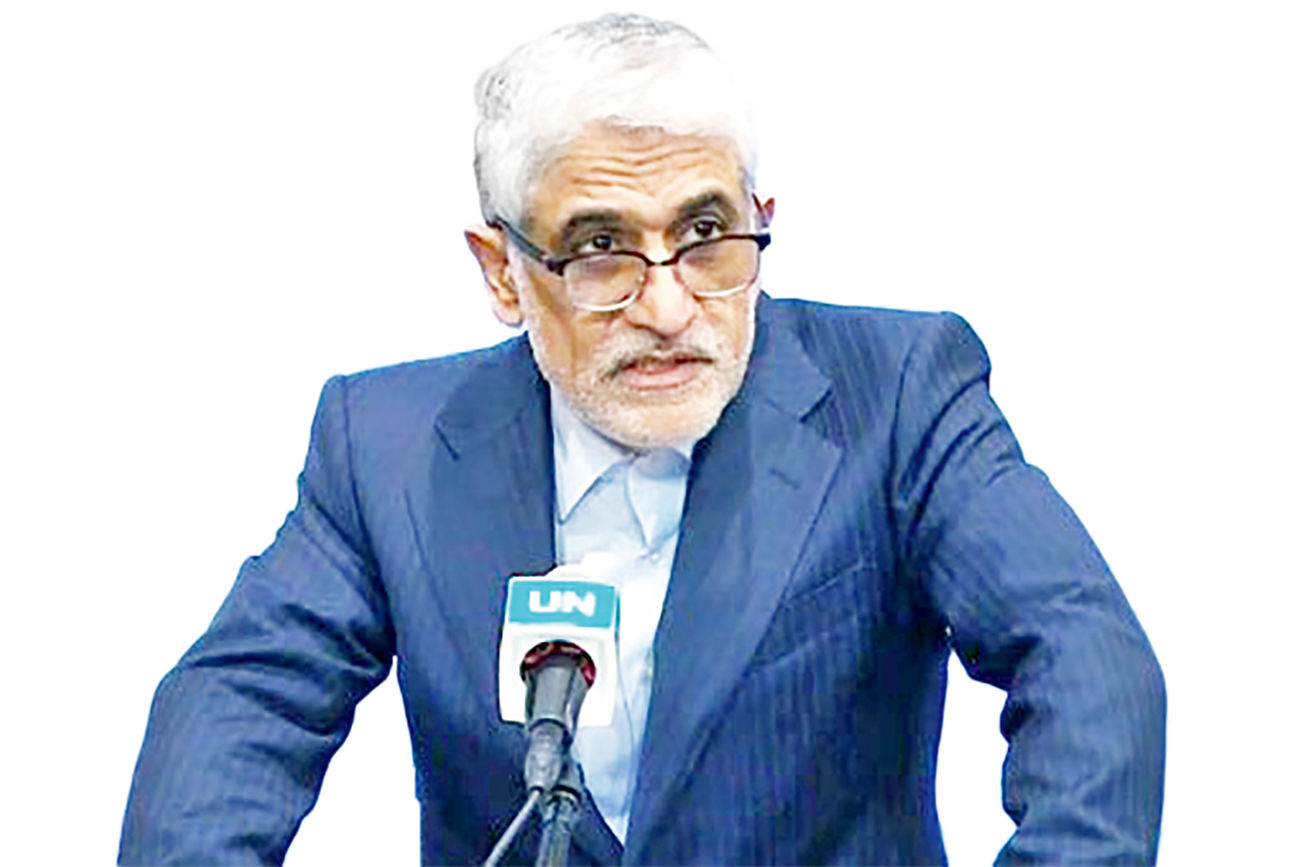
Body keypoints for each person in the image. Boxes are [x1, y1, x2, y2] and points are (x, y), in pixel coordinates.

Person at [120, 13, 1165, 865]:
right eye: (600, 248)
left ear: (761, 217)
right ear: (500, 272)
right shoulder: (385, 446)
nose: (667, 308)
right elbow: (236, 710)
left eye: (706, 236)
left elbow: (1084, 662)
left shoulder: (895, 396)